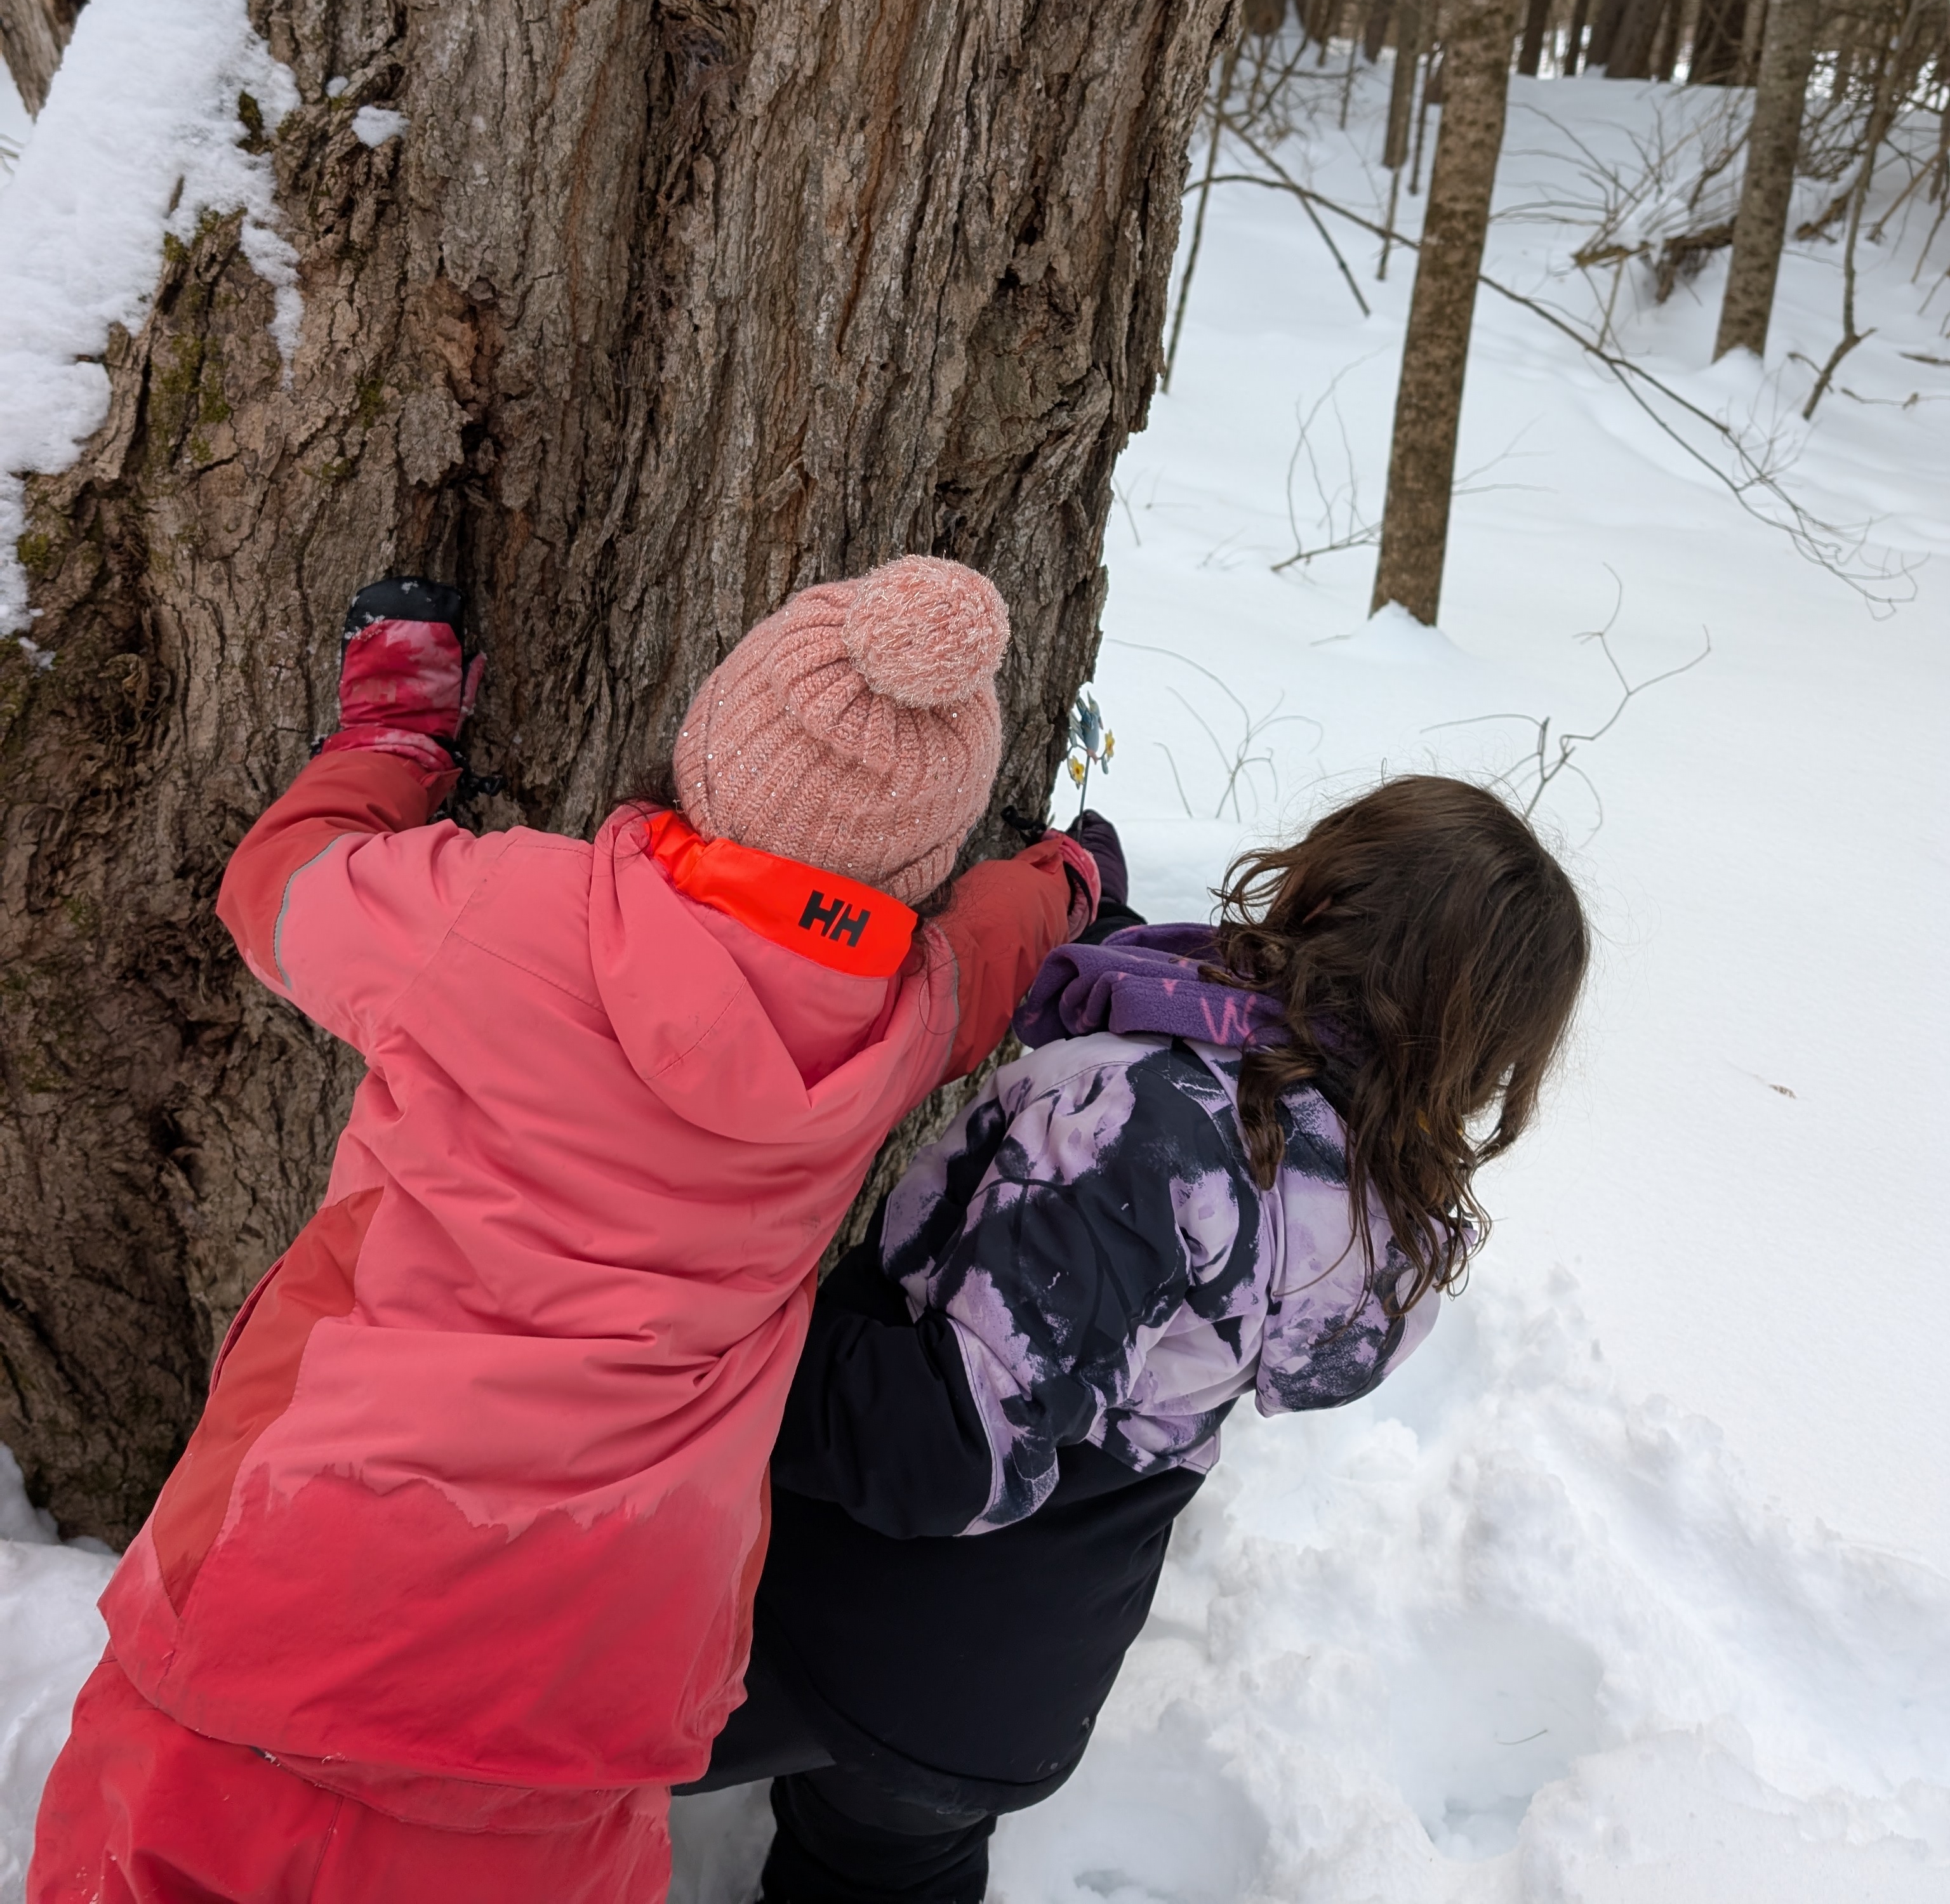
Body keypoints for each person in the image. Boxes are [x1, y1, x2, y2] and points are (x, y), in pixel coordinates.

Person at [30, 556, 1099, 1904]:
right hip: (592, 1678)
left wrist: (391, 743)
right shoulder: (898, 1022)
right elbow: (986, 955)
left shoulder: (496, 909)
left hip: (299, 1605)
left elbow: (281, 890)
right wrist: (1060, 880)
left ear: (712, 747)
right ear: (919, 860)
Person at [686, 776, 1589, 1903]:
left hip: (844, 1617)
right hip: (1017, 1686)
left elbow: (954, 1439)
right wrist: (1093, 914)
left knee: (495, 1758)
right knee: (879, 1855)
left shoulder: (1145, 1128)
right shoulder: (1364, 1200)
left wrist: (728, 1340)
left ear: (1329, 885)